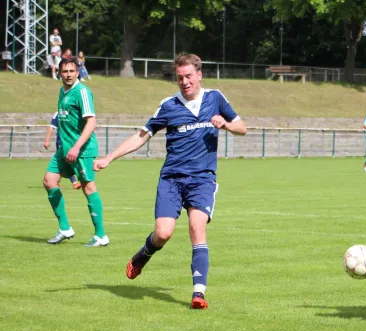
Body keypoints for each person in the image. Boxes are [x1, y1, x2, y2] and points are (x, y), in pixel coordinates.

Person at [93, 53, 247, 309]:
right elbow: (141, 136)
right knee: (163, 233)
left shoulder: (215, 98)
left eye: (188, 76)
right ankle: (143, 255)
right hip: (172, 180)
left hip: (202, 180)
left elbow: (242, 127)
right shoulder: (169, 105)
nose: (184, 82)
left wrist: (226, 125)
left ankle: (199, 293)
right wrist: (109, 158)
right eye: (179, 78)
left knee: (197, 227)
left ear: (199, 75)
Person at [43, 57, 108, 246]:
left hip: (82, 149)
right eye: (65, 71)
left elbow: (92, 122)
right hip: (66, 149)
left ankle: (101, 235)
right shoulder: (62, 92)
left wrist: (77, 146)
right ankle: (65, 228)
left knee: (88, 188)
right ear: (59, 73)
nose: (68, 74)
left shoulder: (82, 92)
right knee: (49, 180)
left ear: (77, 72)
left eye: (72, 71)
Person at [44, 112, 82, 189]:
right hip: (61, 143)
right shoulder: (58, 114)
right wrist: (47, 141)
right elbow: (52, 127)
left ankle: (57, 181)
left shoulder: (73, 113)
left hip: (72, 142)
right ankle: (74, 182)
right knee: (67, 161)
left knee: (68, 162)